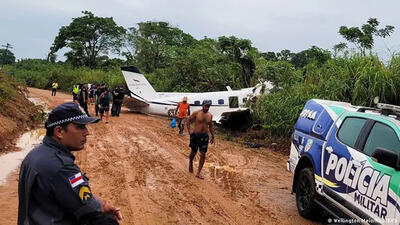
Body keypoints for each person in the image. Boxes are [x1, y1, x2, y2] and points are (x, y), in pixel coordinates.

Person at [18, 102, 122, 225]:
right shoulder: (62, 166)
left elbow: (74, 194)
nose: (86, 132)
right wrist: (102, 210)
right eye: (80, 127)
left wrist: (102, 204)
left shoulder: (35, 154)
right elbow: (87, 207)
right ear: (59, 132)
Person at [186, 100, 215, 179]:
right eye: (205, 106)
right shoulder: (197, 113)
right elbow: (188, 120)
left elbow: (211, 126)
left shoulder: (210, 115)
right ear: (202, 105)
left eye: (208, 106)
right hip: (196, 135)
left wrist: (213, 136)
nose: (207, 108)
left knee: (203, 154)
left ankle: (198, 172)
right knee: (193, 152)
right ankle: (191, 162)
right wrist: (189, 131)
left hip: (205, 136)